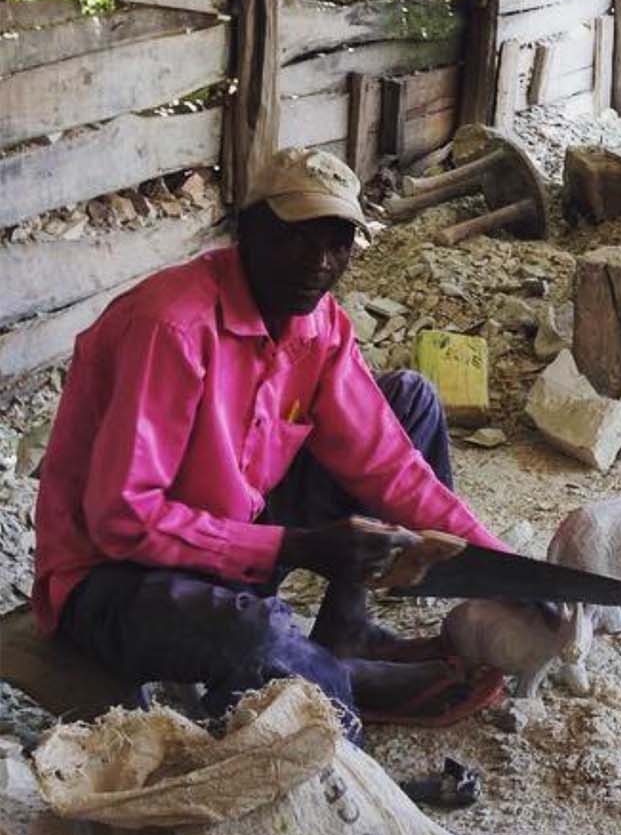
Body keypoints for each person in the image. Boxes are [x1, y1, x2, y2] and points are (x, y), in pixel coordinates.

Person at [31, 148, 518, 738]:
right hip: (114, 578)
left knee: (409, 401)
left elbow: (388, 464)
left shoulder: (318, 324)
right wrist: (296, 546)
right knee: (257, 637)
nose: (320, 262)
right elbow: (121, 520)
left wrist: (505, 568)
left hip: (234, 533)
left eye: (339, 244)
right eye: (298, 240)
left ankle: (345, 633)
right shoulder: (172, 328)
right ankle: (339, 684)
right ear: (250, 231)